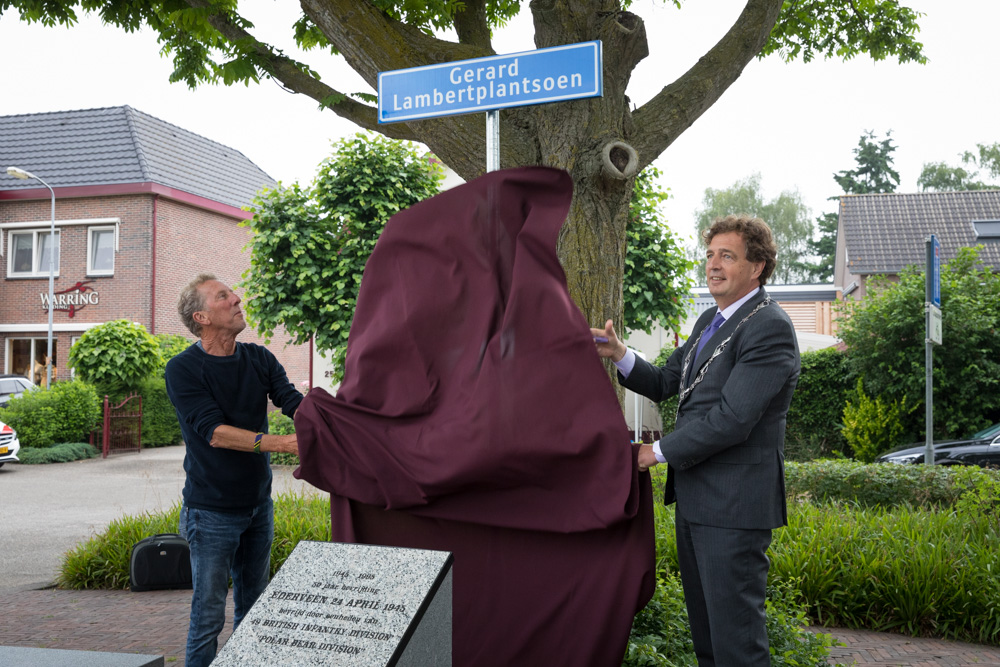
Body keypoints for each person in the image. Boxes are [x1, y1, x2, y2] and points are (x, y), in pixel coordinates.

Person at [592, 214, 800, 666]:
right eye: (709, 255)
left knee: (737, 644)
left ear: (758, 266)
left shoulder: (770, 327)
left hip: (734, 509)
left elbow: (732, 419)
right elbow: (668, 380)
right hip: (696, 502)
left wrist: (655, 453)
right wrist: (620, 354)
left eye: (728, 256)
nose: (713, 265)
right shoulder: (711, 318)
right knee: (708, 639)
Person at [165, 274, 303, 667]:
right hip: (210, 513)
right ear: (202, 317)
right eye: (223, 296)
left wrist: (343, 413)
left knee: (254, 610)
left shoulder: (259, 358)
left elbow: (295, 404)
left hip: (259, 506)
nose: (237, 299)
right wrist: (282, 444)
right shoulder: (183, 369)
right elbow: (216, 433)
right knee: (208, 617)